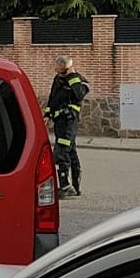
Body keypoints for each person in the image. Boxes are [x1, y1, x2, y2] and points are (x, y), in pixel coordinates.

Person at [44, 55, 90, 197]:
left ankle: (65, 186)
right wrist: (47, 114)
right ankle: (75, 186)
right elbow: (52, 98)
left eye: (60, 69)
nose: (57, 71)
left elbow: (79, 95)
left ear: (67, 68)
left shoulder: (78, 79)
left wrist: (71, 76)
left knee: (60, 152)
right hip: (59, 122)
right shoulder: (57, 79)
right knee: (71, 152)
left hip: (69, 121)